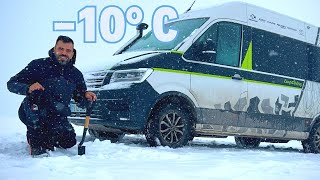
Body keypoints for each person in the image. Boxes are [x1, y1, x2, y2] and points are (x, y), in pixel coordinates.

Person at [7, 35, 97, 156]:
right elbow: (11, 83)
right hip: (33, 111)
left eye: (68, 50)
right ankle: (36, 139)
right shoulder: (38, 65)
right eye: (61, 49)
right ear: (54, 49)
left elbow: (80, 100)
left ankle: (48, 136)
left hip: (57, 114)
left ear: (72, 53)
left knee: (69, 142)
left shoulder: (76, 74)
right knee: (38, 128)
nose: (64, 53)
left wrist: (86, 96)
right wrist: (28, 88)